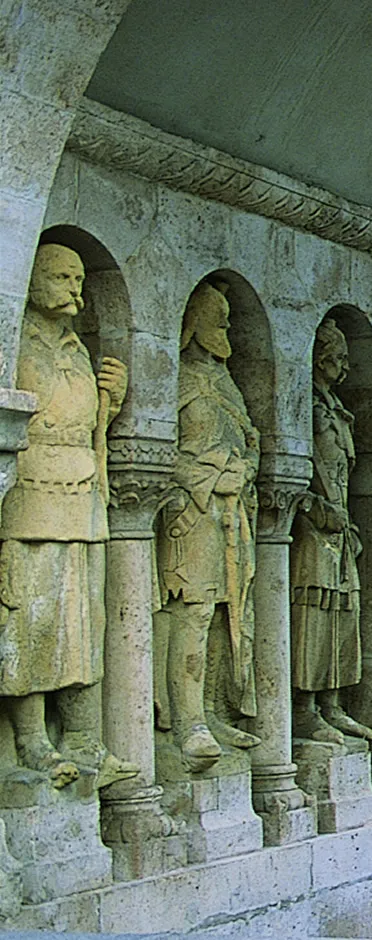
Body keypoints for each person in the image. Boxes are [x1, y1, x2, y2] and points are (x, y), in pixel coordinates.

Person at [0, 243, 136, 788]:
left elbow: (83, 427)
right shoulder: (15, 339)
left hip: (83, 502)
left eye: (79, 278)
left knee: (85, 623)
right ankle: (32, 741)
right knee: (30, 623)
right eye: (61, 276)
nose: (75, 289)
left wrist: (110, 406)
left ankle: (84, 739)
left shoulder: (78, 348)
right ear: (30, 279)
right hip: (30, 500)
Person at [155, 280, 260, 763]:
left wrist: (243, 471)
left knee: (225, 616)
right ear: (193, 325)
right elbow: (150, 452)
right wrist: (210, 478)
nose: (227, 329)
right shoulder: (175, 377)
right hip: (190, 518)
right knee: (193, 615)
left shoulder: (226, 383)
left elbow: (251, 444)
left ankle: (215, 710)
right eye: (218, 320)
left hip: (233, 518)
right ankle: (187, 719)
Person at [290, 318, 372, 743]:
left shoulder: (339, 413)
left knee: (344, 615)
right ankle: (304, 708)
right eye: (337, 358)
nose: (344, 367)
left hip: (340, 531)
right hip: (311, 531)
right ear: (319, 358)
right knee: (312, 616)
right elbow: (286, 475)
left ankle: (333, 704)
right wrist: (315, 510)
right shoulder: (304, 407)